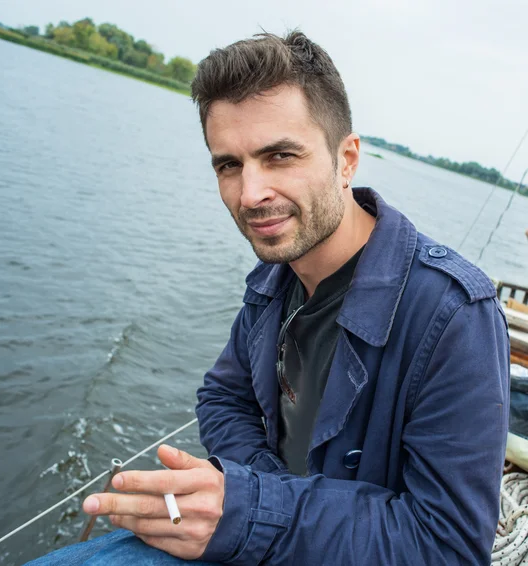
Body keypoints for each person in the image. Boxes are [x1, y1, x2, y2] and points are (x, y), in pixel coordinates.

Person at [26, 31, 509, 566]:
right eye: (228, 164)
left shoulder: (453, 314)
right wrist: (263, 496)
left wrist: (254, 508)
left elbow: (448, 547)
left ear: (346, 159)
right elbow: (223, 397)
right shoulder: (273, 280)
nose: (250, 194)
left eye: (279, 155)